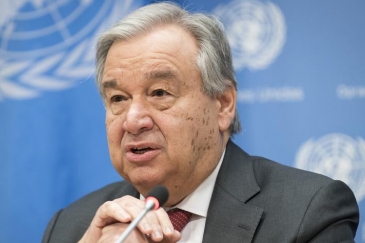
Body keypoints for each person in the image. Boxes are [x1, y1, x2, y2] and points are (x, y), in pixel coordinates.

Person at [42, 2, 359, 243]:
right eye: (118, 99)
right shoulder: (72, 227)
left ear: (223, 104)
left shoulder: (308, 214)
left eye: (159, 92)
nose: (133, 120)